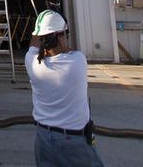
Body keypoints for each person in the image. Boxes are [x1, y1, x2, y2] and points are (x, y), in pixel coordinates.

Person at [24, 9, 104, 166]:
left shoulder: (32, 63)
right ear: (60, 38)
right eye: (65, 34)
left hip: (43, 139)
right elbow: (67, 51)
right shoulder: (78, 62)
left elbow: (33, 47)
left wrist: (42, 22)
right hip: (73, 142)